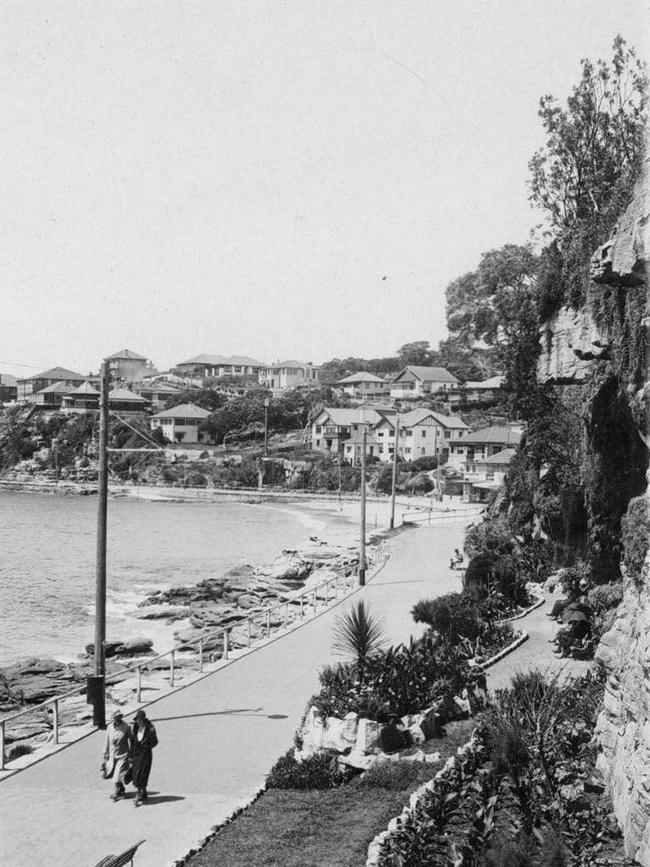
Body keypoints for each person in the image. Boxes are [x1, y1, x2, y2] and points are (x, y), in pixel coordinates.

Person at [103, 709, 132, 801]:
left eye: (119, 717)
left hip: (123, 755)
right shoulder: (110, 727)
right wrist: (105, 752)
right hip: (112, 755)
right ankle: (120, 788)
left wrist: (132, 754)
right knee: (112, 773)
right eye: (116, 717)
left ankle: (116, 791)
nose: (118, 719)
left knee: (117, 774)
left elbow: (131, 740)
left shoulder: (126, 727)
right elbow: (106, 740)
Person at [131, 709, 158, 807]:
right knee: (136, 774)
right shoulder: (135, 728)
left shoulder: (150, 728)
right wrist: (131, 755)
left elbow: (155, 742)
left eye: (139, 719)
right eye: (137, 720)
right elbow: (133, 742)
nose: (138, 721)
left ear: (143, 719)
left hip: (146, 755)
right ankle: (143, 791)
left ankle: (138, 794)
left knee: (143, 774)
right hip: (137, 754)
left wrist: (147, 745)